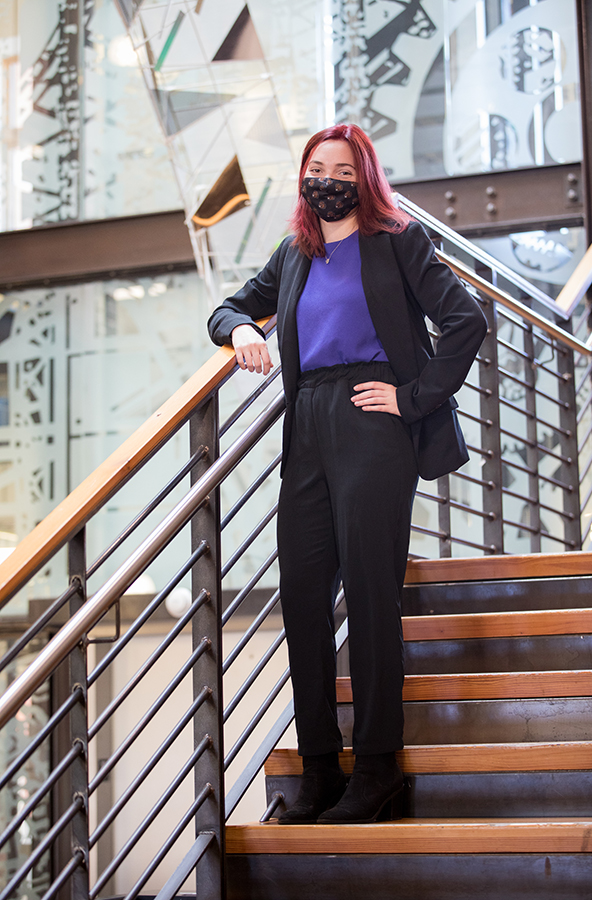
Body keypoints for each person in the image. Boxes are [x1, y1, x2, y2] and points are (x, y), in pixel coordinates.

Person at [208, 124, 486, 825]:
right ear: (304, 178)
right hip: (305, 427)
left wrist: (415, 395)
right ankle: (321, 771)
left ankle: (379, 770)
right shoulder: (293, 254)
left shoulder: (398, 240)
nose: (326, 177)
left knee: (368, 596)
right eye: (315, 167)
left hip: (374, 420)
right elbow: (229, 307)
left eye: (340, 167)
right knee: (301, 596)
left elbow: (465, 320)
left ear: (362, 177)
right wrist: (243, 330)